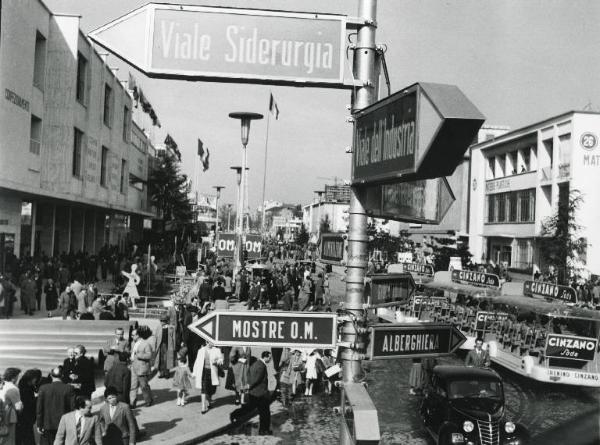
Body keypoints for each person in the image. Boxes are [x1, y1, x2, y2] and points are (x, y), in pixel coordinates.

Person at [234, 351, 273, 435]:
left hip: (254, 393)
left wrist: (248, 385)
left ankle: (235, 415)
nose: (270, 360)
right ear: (265, 357)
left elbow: (249, 375)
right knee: (265, 414)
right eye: (269, 358)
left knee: (251, 409)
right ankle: (264, 430)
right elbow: (257, 379)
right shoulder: (261, 366)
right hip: (261, 394)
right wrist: (248, 386)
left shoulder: (255, 364)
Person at [36, 367, 75, 445]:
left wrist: (39, 424)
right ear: (62, 376)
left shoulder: (43, 388)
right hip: (63, 423)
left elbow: (39, 408)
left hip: (47, 423)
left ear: (51, 375)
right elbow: (72, 407)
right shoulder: (69, 388)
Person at [192, 342, 223, 413]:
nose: (211, 344)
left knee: (211, 389)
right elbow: (197, 362)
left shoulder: (217, 350)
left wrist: (217, 361)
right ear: (206, 342)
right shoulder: (201, 350)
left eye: (212, 342)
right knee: (204, 388)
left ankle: (209, 400)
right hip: (204, 372)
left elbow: (221, 360)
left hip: (213, 372)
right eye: (209, 342)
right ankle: (203, 406)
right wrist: (194, 373)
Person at [129, 328, 154, 408]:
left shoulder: (146, 344)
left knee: (143, 385)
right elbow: (132, 353)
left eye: (133, 335)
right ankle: (132, 402)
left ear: (138, 335)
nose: (131, 336)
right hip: (133, 367)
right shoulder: (133, 343)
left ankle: (148, 400)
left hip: (142, 368)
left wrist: (139, 355)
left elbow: (149, 355)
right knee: (133, 386)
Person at [16, 369, 41, 445]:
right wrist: (37, 397)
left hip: (25, 415)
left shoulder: (24, 384)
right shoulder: (26, 388)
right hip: (26, 415)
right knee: (27, 435)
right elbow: (28, 402)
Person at [0, 368, 23, 445]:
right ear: (13, 378)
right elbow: (18, 407)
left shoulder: (2, 385)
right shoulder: (13, 388)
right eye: (17, 377)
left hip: (1, 414)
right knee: (9, 439)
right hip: (8, 416)